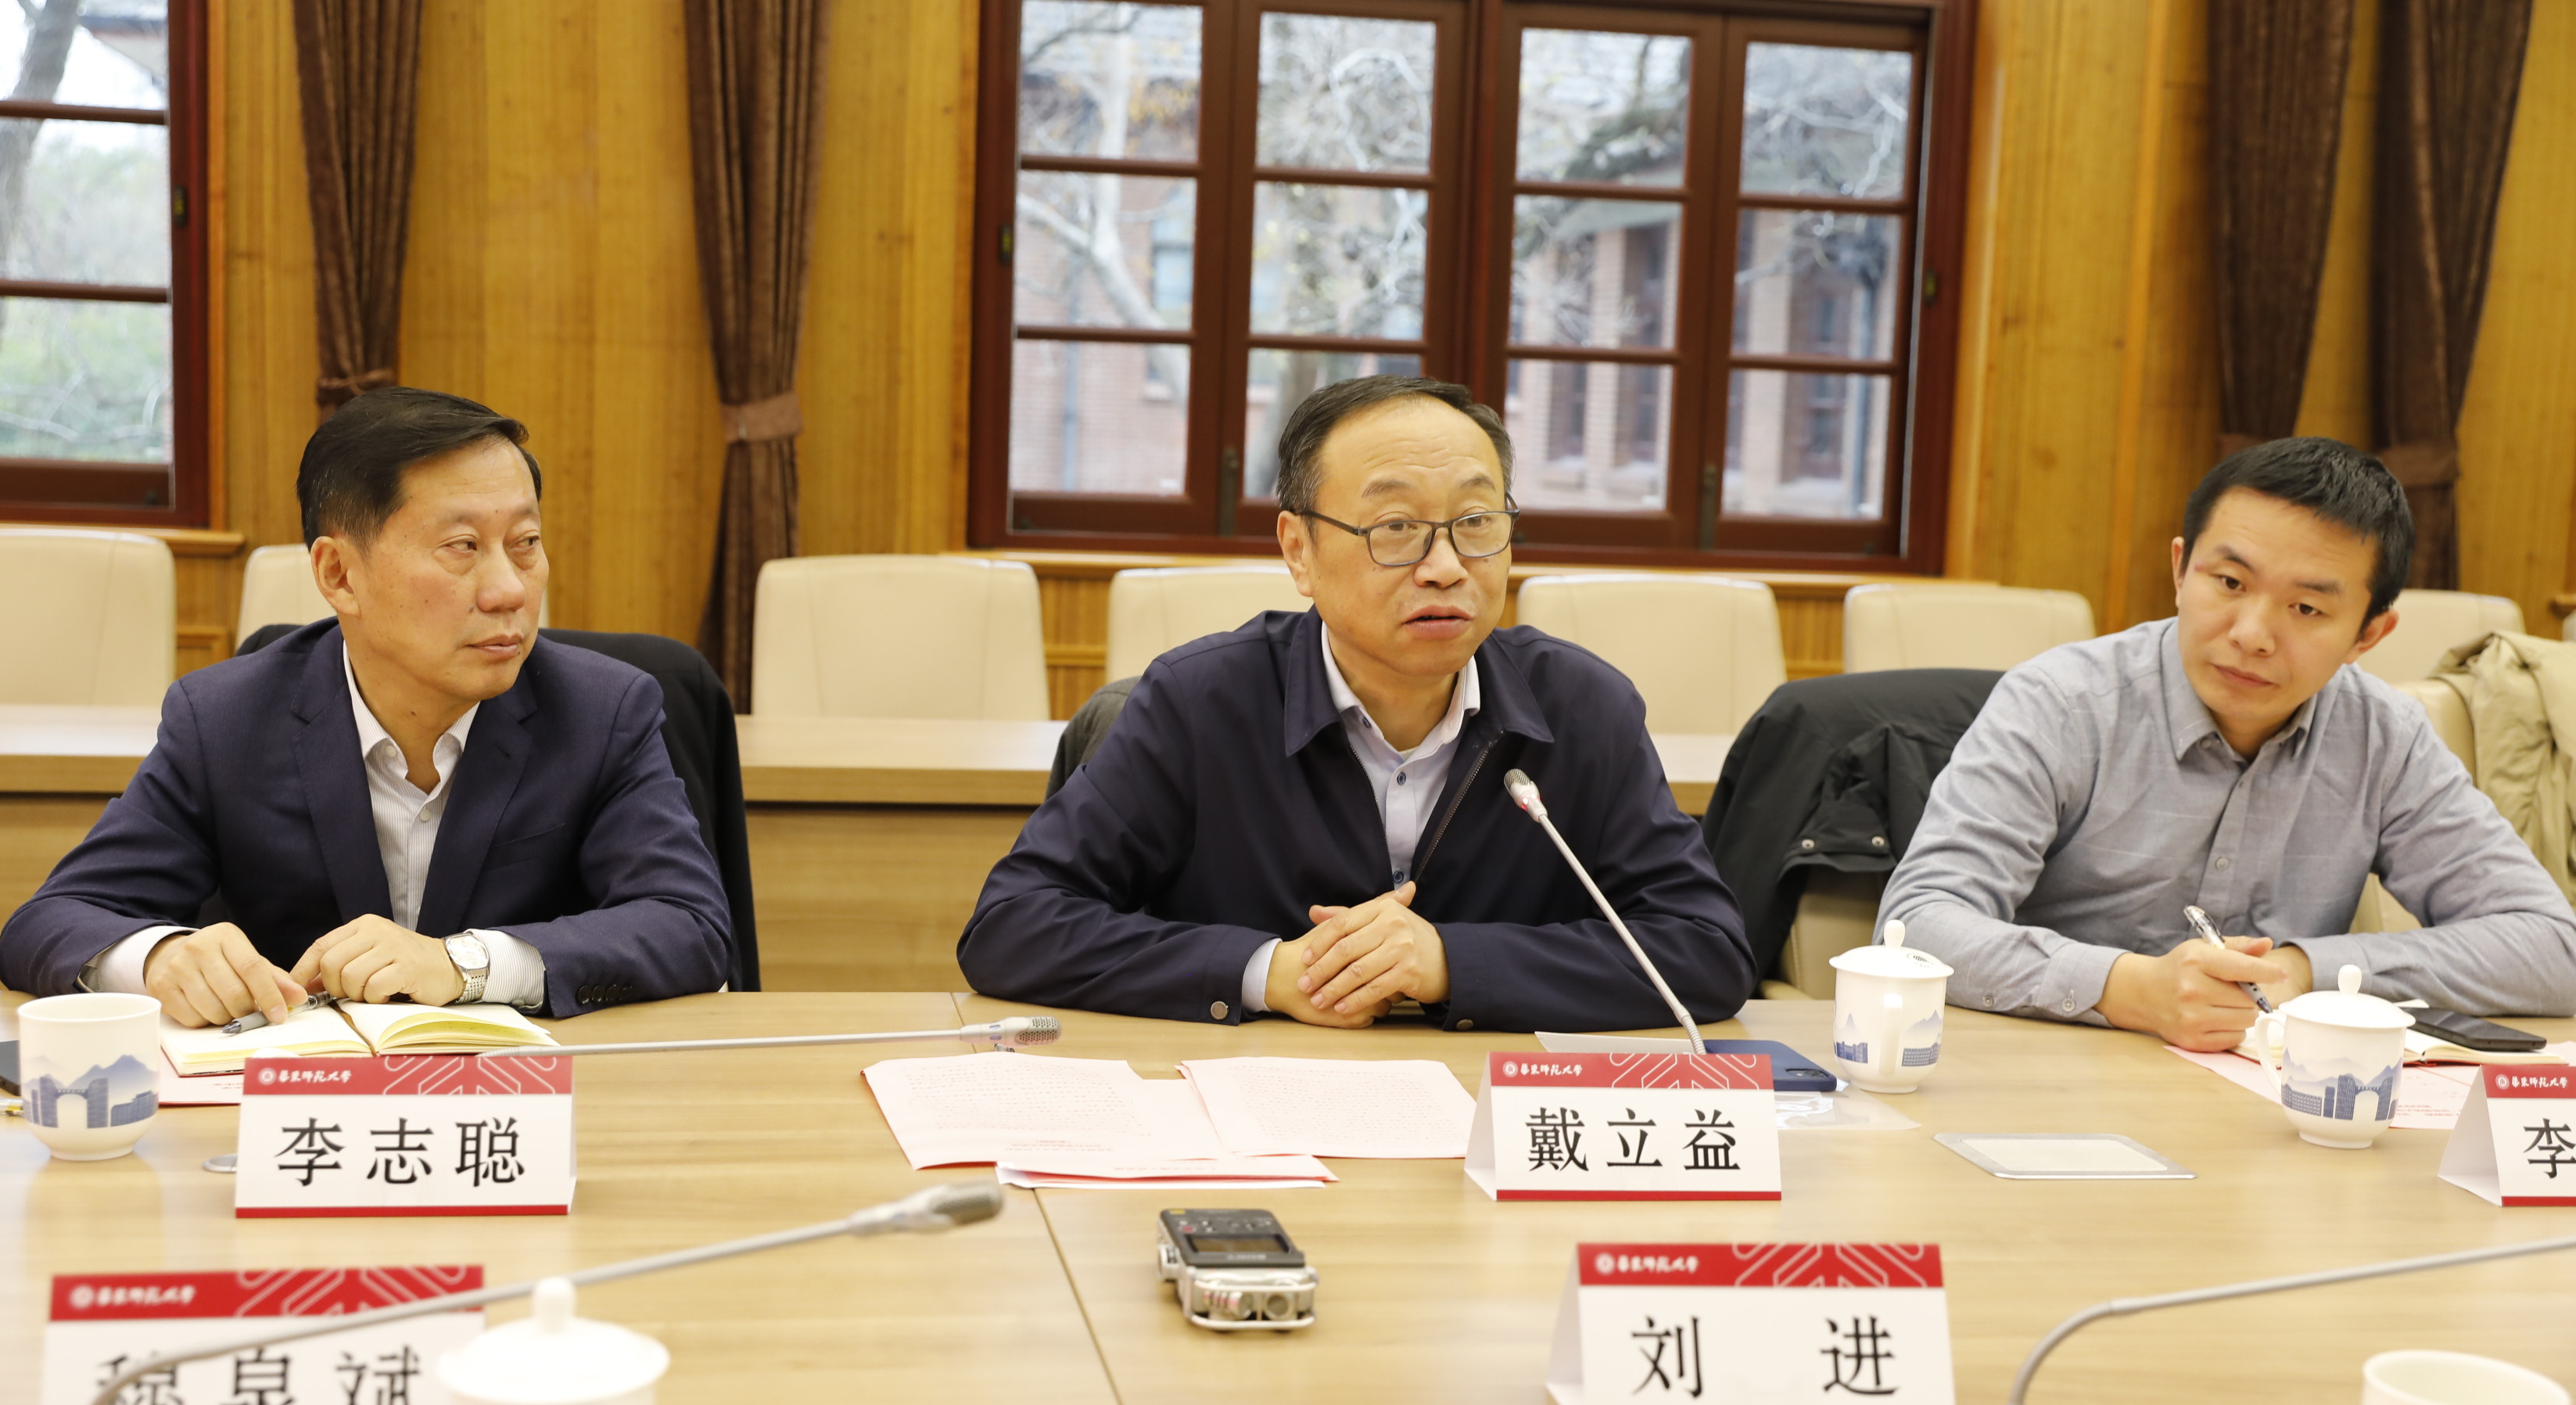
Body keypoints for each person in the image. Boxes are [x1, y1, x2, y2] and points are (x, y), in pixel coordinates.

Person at [957, 375, 1753, 1032]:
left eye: (1477, 522)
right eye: (1396, 526)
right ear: (1298, 550)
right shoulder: (1199, 702)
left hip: (1484, 1123)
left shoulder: (1583, 709)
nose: (1446, 566)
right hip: (1253, 1109)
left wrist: (1450, 962)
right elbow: (1013, 926)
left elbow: (1707, 950)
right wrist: (1268, 972)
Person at [0, 388, 732, 1026]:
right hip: (303, 1102)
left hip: (525, 1100)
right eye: (462, 546)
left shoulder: (603, 711)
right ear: (339, 575)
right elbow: (49, 923)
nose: (510, 588)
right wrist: (159, 957)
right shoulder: (224, 720)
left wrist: (464, 965)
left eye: (526, 542)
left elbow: (690, 926)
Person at [1880, 437, 2576, 1049]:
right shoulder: (2060, 703)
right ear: (2181, 570)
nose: (2252, 634)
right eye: (2230, 582)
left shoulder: (2384, 737)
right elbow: (1917, 925)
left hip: (2270, 1103)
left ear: (2368, 634)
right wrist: (2127, 989)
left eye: (2306, 608)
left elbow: (2554, 949)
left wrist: (2305, 970)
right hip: (2056, 1076)